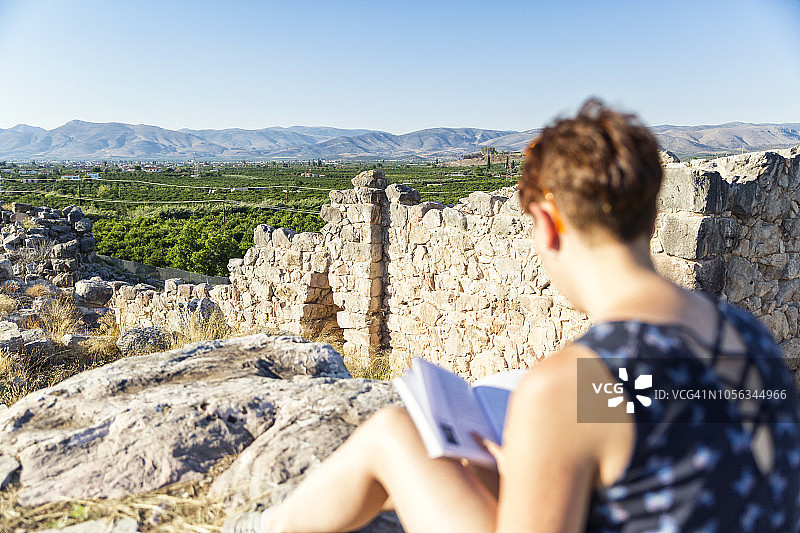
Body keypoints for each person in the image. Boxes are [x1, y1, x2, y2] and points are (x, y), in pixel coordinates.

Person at [224, 100, 800, 533]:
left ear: (548, 224)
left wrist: (534, 442)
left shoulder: (579, 382)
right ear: (649, 216)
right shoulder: (749, 336)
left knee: (393, 435)